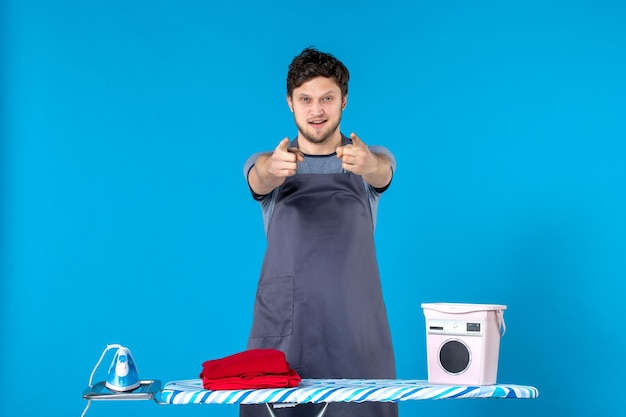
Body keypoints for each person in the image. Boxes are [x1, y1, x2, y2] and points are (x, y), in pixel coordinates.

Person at [241, 47, 398, 417]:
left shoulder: (368, 159)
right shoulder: (272, 163)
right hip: (285, 336)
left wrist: (368, 164)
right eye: (306, 99)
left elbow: (384, 172)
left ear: (343, 101)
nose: (316, 110)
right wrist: (271, 169)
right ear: (290, 104)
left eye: (327, 98)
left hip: (356, 335)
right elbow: (258, 178)